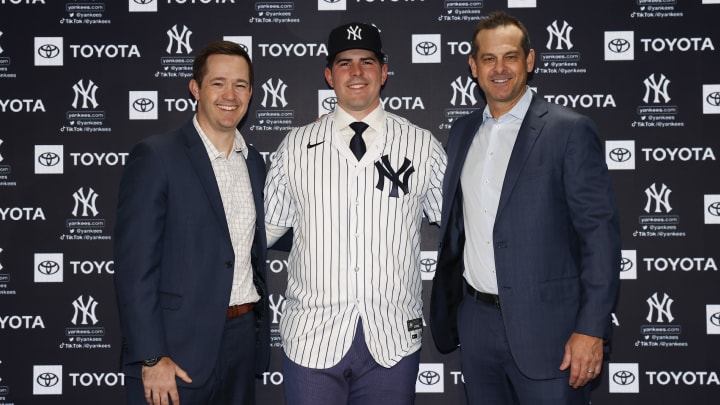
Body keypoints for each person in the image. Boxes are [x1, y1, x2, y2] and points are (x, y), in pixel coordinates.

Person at [429, 11, 621, 405]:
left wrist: (591, 330)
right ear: (473, 66)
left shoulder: (569, 130)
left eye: (510, 56)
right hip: (476, 324)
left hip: (551, 332)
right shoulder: (463, 132)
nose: (499, 68)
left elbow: (599, 238)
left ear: (529, 61)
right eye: (488, 58)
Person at [263, 22, 446, 405]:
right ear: (329, 75)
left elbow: (460, 226)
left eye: (367, 61)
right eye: (345, 63)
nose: (357, 72)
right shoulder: (295, 147)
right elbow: (263, 233)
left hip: (392, 337)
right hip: (311, 337)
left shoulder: (421, 145)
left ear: (384, 72)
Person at [114, 40, 270, 405]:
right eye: (218, 83)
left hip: (241, 339)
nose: (230, 94)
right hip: (175, 348)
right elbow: (134, 267)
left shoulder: (255, 163)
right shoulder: (157, 156)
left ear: (251, 92)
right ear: (195, 88)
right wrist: (151, 356)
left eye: (241, 84)